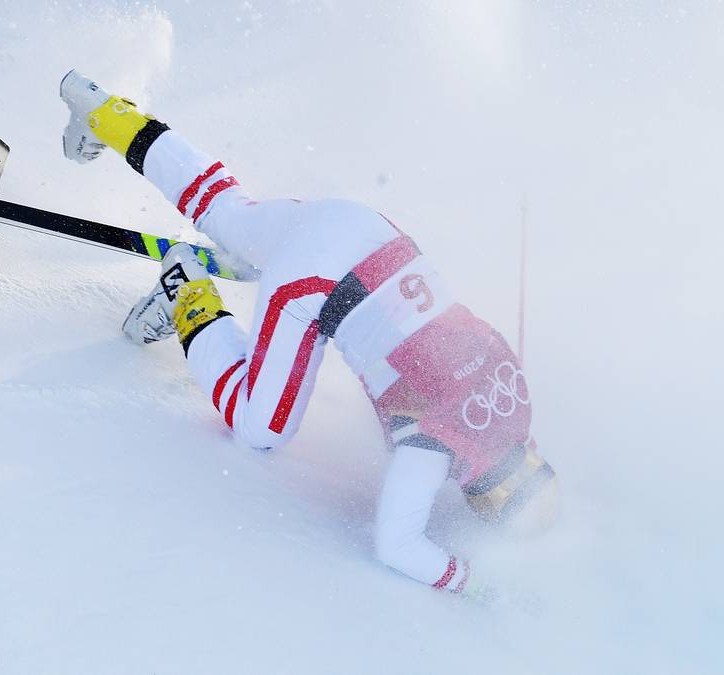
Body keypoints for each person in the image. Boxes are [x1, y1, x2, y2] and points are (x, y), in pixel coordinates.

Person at [58, 70, 560, 594]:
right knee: (260, 428)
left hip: (364, 229)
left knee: (227, 215)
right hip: (318, 282)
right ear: (488, 497)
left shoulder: (516, 402)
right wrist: (471, 584)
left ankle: (106, 114)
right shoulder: (442, 448)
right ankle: (186, 287)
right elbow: (397, 546)